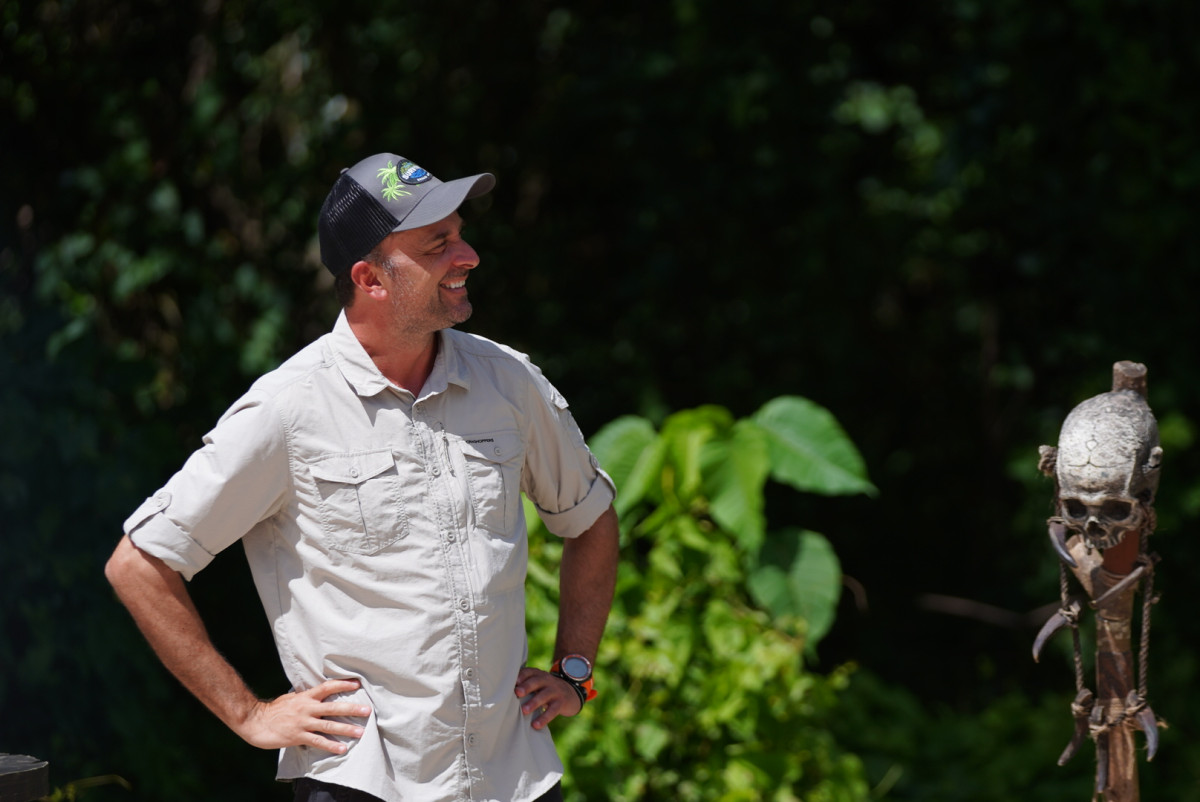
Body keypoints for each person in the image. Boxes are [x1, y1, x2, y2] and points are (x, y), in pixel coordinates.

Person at [104, 152, 620, 802]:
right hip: (364, 785)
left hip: (512, 779)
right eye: (437, 244)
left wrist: (575, 673)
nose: (468, 256)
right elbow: (139, 564)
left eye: (460, 235)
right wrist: (249, 715)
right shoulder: (288, 409)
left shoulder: (509, 382)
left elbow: (591, 520)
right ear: (370, 278)